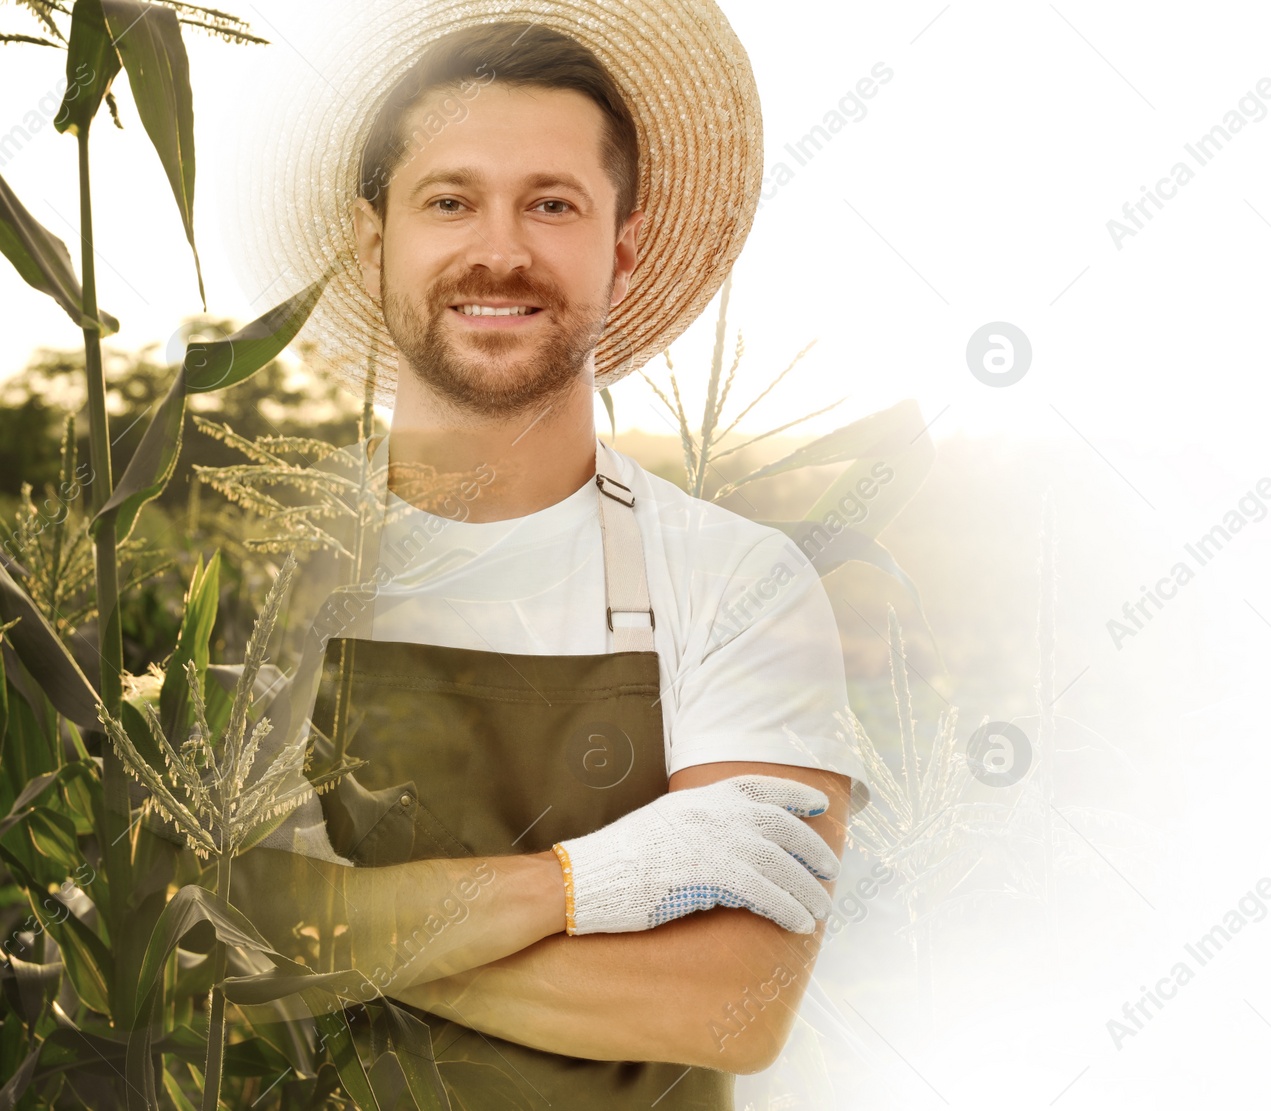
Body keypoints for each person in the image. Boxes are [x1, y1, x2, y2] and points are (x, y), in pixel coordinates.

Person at [222, 5, 873, 1107]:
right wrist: (590, 880)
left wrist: (325, 939)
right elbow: (186, 927)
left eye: (553, 204)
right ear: (371, 240)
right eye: (449, 200)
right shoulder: (258, 579)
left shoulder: (740, 583)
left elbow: (734, 1004)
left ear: (620, 248)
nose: (501, 249)